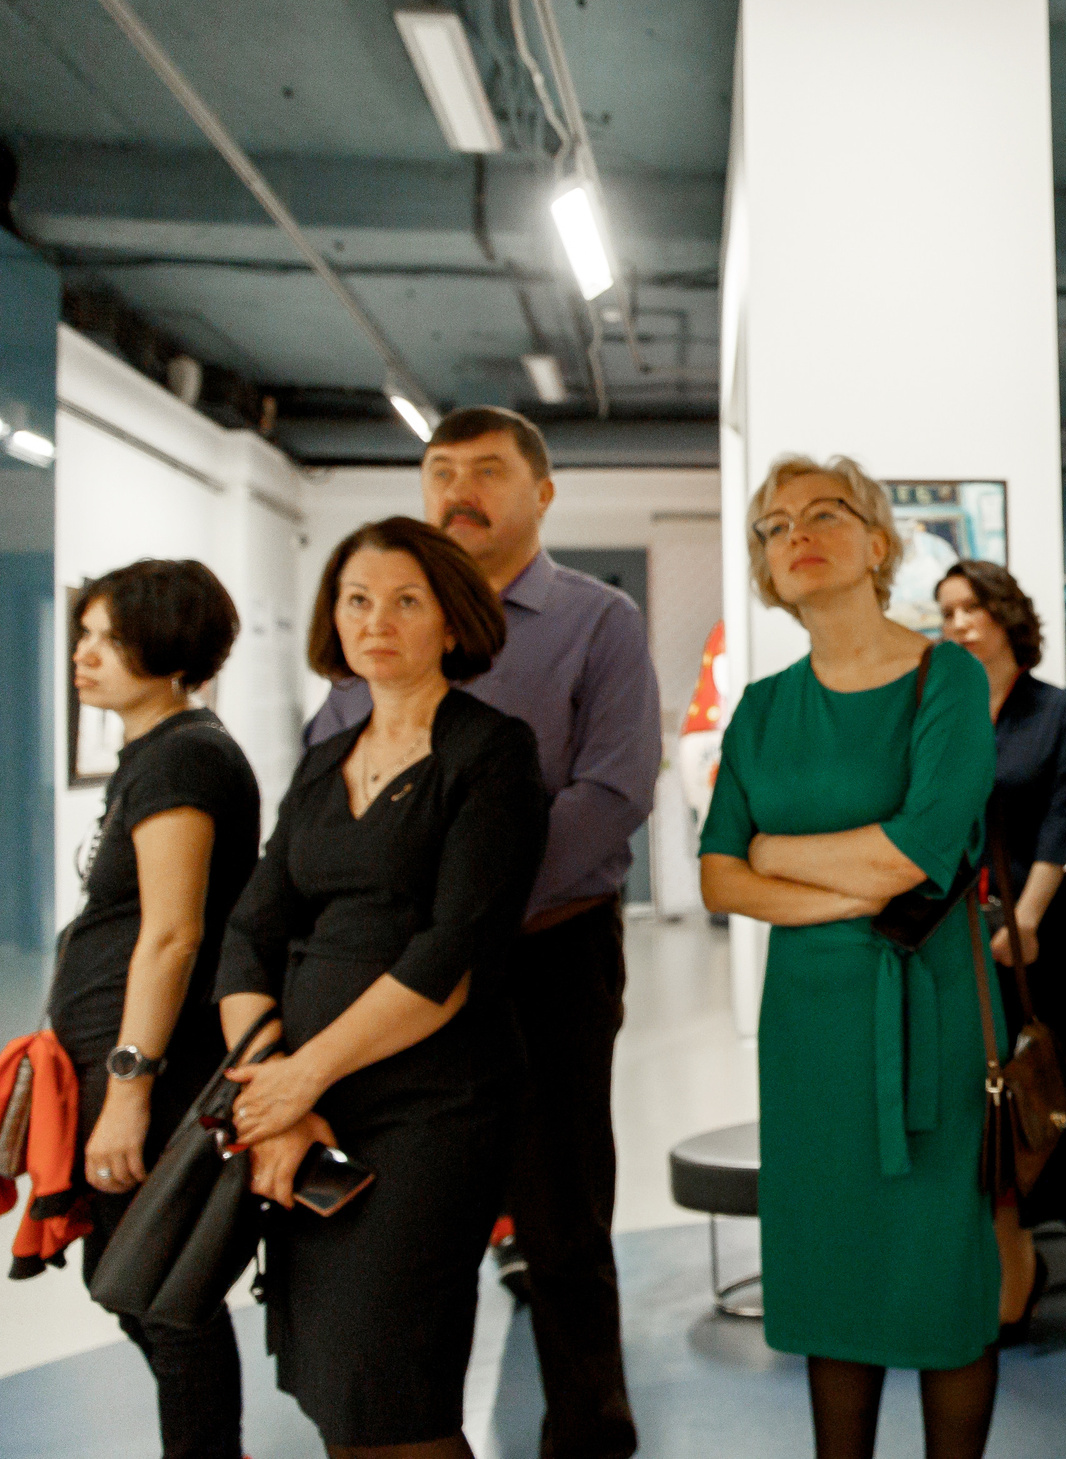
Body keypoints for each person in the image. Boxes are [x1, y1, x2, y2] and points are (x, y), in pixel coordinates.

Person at [304, 407, 657, 1459]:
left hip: (547, 957)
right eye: (440, 470)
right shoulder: (383, 629)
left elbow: (611, 790)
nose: (459, 489)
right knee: (414, 1214)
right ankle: (412, 1430)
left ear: (540, 494)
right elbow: (330, 777)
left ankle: (590, 1433)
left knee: (560, 1222)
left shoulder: (599, 621)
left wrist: (465, 907)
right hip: (401, 979)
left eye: (487, 471)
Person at [217, 517, 549, 1457]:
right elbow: (251, 931)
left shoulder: (491, 752)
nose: (378, 619)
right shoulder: (324, 762)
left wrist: (301, 1077)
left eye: (407, 600)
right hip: (303, 1110)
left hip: (431, 1111)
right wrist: (273, 1095)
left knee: (395, 1387)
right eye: (357, 599)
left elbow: (448, 957)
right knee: (336, 1387)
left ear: (452, 620)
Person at [697, 456, 999, 1459]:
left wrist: (780, 855)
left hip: (932, 1013)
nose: (797, 535)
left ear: (877, 542)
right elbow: (718, 879)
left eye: (822, 514)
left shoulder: (944, 677)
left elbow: (918, 854)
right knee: (833, 1277)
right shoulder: (763, 708)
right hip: (810, 1033)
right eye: (775, 527)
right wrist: (856, 876)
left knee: (940, 1272)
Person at [53, 560, 256, 1459]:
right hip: (120, 1062)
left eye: (106, 636)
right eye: (84, 632)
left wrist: (129, 1084)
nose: (83, 652)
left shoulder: (184, 757)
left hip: (156, 1070)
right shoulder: (156, 753)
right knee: (134, 1279)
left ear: (167, 646)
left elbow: (172, 934)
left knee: (162, 1291)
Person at [934, 559, 1066, 1355]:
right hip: (966, 939)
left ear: (1004, 615)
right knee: (991, 1109)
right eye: (946, 611)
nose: (956, 624)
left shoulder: (1056, 709)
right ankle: (1015, 1270)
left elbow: (1064, 816)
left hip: (1046, 933)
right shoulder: (944, 711)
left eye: (970, 608)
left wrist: (1025, 918)